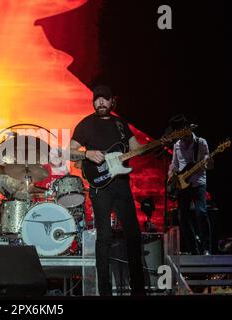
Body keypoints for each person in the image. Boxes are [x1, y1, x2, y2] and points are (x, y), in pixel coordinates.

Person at [69, 85, 146, 296]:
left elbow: (136, 147)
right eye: (97, 99)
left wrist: (153, 146)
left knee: (133, 235)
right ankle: (104, 291)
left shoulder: (121, 124)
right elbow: (69, 151)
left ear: (113, 101)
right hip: (100, 187)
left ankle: (138, 289)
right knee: (104, 237)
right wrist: (87, 154)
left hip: (121, 184)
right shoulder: (86, 124)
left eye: (105, 99)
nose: (100, 102)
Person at [167, 114, 213, 255]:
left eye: (181, 130)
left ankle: (206, 248)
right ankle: (193, 249)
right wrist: (171, 176)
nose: (180, 135)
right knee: (183, 217)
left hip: (198, 182)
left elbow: (208, 166)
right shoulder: (176, 146)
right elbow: (174, 165)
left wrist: (209, 162)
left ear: (186, 128)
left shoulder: (201, 142)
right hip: (182, 185)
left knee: (202, 212)